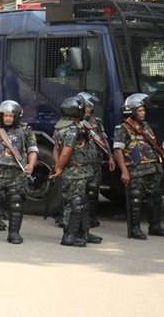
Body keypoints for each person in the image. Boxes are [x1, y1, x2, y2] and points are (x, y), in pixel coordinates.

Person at [113, 93, 164, 240]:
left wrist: (159, 166)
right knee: (136, 199)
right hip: (135, 170)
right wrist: (124, 171)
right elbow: (118, 151)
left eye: (143, 110)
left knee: (156, 198)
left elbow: (154, 147)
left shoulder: (146, 126)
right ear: (132, 111)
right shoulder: (122, 128)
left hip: (152, 168)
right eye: (139, 111)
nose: (143, 113)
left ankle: (155, 226)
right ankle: (135, 229)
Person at [0, 100, 37, 244]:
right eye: (5, 116)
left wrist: (31, 164)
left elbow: (32, 150)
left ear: (17, 116)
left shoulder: (25, 130)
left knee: (16, 203)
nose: (8, 118)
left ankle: (14, 233)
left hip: (17, 175)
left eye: (11, 116)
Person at [50, 96, 103, 247]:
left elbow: (56, 149)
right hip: (74, 171)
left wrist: (58, 165)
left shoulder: (61, 127)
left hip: (80, 170)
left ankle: (83, 233)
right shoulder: (72, 129)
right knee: (75, 202)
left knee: (82, 202)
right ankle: (69, 236)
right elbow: (66, 152)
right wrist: (60, 167)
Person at [77, 91, 115, 227]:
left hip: (95, 162)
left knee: (93, 191)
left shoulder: (96, 122)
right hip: (80, 163)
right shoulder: (75, 122)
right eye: (86, 106)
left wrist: (110, 156)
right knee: (77, 192)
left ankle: (91, 217)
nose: (88, 109)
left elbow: (103, 140)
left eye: (90, 107)